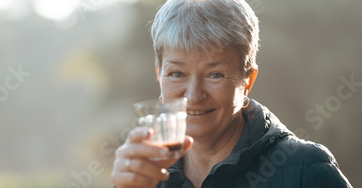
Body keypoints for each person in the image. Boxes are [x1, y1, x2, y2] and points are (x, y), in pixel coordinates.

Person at [110, 0, 353, 187]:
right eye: (177, 74)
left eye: (214, 74)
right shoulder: (146, 175)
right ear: (159, 75)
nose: (193, 95)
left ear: (248, 80)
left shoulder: (305, 169)